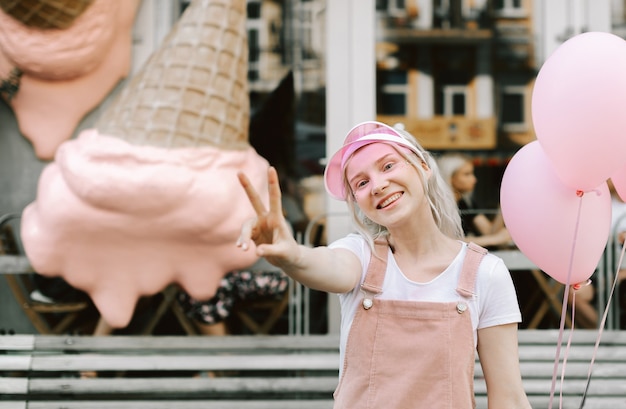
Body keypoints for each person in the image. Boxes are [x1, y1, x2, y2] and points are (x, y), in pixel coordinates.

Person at [236, 121, 531, 408]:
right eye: (361, 183)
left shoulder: (485, 273)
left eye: (388, 166)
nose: (377, 185)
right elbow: (327, 265)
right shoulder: (361, 256)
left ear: (424, 168)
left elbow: (509, 397)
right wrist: (294, 256)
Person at [437, 152, 512, 249]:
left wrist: (503, 205)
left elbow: (489, 231)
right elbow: (449, 240)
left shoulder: (465, 203)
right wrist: (494, 239)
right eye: (467, 174)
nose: (474, 179)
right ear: (450, 178)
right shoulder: (439, 205)